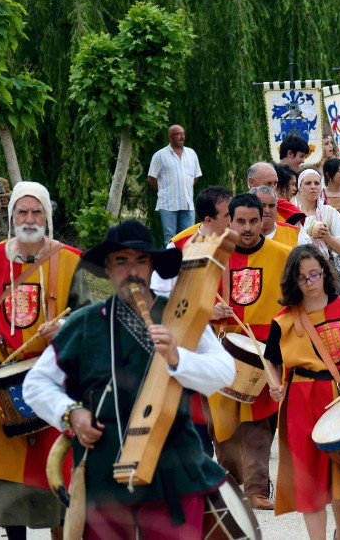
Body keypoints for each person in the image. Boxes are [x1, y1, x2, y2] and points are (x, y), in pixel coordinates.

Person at [22, 220, 234, 538]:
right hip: (103, 475)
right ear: (107, 269)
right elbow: (35, 385)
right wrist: (70, 414)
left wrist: (179, 358)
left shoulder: (181, 316)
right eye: (121, 261)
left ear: (152, 267)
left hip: (175, 473)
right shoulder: (83, 324)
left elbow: (223, 373)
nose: (131, 270)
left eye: (140, 260)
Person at [0, 181, 89, 540]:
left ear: (47, 215)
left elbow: (88, 316)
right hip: (3, 380)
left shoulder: (70, 260)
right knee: (6, 473)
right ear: (12, 217)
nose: (30, 218)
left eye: (37, 211)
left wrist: (64, 326)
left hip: (52, 380)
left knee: (57, 468)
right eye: (22, 212)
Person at [263, 245, 340, 539]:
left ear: (324, 273)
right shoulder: (284, 319)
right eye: (302, 278)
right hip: (301, 398)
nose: (310, 282)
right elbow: (270, 358)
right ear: (293, 281)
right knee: (308, 477)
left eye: (314, 274)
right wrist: (274, 383)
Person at [206, 194, 292, 510]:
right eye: (240, 221)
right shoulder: (213, 257)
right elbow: (187, 303)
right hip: (222, 349)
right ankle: (230, 486)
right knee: (223, 431)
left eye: (253, 221)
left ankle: (257, 491)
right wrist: (209, 310)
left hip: (266, 352)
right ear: (229, 221)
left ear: (263, 220)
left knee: (259, 424)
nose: (247, 228)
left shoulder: (283, 255)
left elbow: (296, 302)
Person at [150, 185, 234, 456]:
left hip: (234, 344)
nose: (233, 220)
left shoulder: (238, 245)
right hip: (191, 346)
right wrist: (207, 313)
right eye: (227, 215)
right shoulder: (177, 250)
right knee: (197, 425)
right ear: (208, 220)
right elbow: (162, 304)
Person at [148, 124, 203, 243]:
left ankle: (187, 261)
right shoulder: (160, 155)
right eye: (178, 134)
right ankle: (170, 261)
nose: (182, 137)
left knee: (190, 237)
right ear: (170, 137)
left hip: (187, 203)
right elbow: (151, 178)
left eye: (183, 133)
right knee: (170, 238)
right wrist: (164, 191)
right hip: (168, 203)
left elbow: (195, 176)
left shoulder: (191, 154)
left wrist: (185, 188)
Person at [296, 168, 340, 258]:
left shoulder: (330, 212)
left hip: (321, 267)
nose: (313, 186)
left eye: (317, 183)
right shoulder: (293, 213)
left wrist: (327, 237)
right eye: (308, 183)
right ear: (299, 187)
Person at [247, 161, 306, 227]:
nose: (273, 189)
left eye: (275, 183)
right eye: (268, 184)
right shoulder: (238, 207)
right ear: (251, 182)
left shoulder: (286, 209)